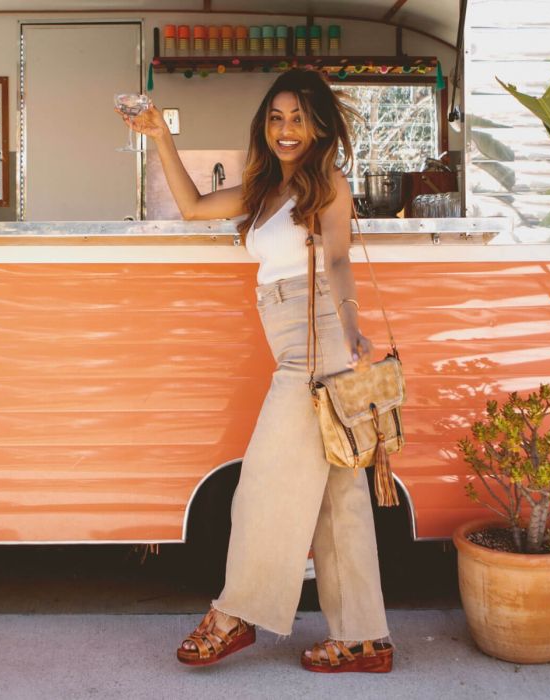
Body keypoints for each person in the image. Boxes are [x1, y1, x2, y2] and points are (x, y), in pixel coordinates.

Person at [119, 68, 393, 674]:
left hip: (316, 348)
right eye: (276, 117)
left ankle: (234, 613)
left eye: (298, 118)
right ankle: (364, 639)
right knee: (336, 497)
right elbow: (192, 207)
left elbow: (341, 260)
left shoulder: (327, 183)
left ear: (319, 124)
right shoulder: (265, 188)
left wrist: (352, 327)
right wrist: (160, 134)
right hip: (296, 343)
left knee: (264, 481)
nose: (286, 130)